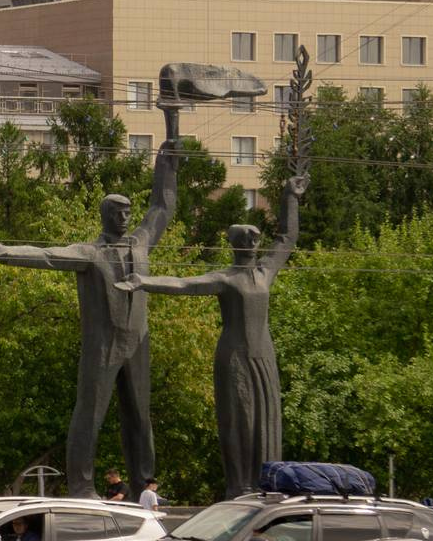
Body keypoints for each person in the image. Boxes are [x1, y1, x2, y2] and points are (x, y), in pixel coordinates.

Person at [0, 133, 180, 498]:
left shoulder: (141, 243)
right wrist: (5, 251)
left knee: (140, 417)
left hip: (138, 342)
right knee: (90, 414)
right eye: (118, 213)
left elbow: (163, 208)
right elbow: (48, 255)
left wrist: (166, 164)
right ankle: (82, 486)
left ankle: (145, 485)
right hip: (102, 344)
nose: (125, 218)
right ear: (105, 216)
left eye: (128, 212)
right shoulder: (89, 253)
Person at [119, 173, 306, 498]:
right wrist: (144, 282)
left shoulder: (265, 272)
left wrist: (290, 197)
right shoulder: (226, 278)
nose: (252, 244)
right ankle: (239, 486)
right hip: (234, 358)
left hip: (264, 358)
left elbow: (288, 238)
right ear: (235, 244)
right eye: (246, 239)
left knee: (266, 422)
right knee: (240, 422)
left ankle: (266, 484)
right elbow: (184, 284)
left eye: (255, 238)